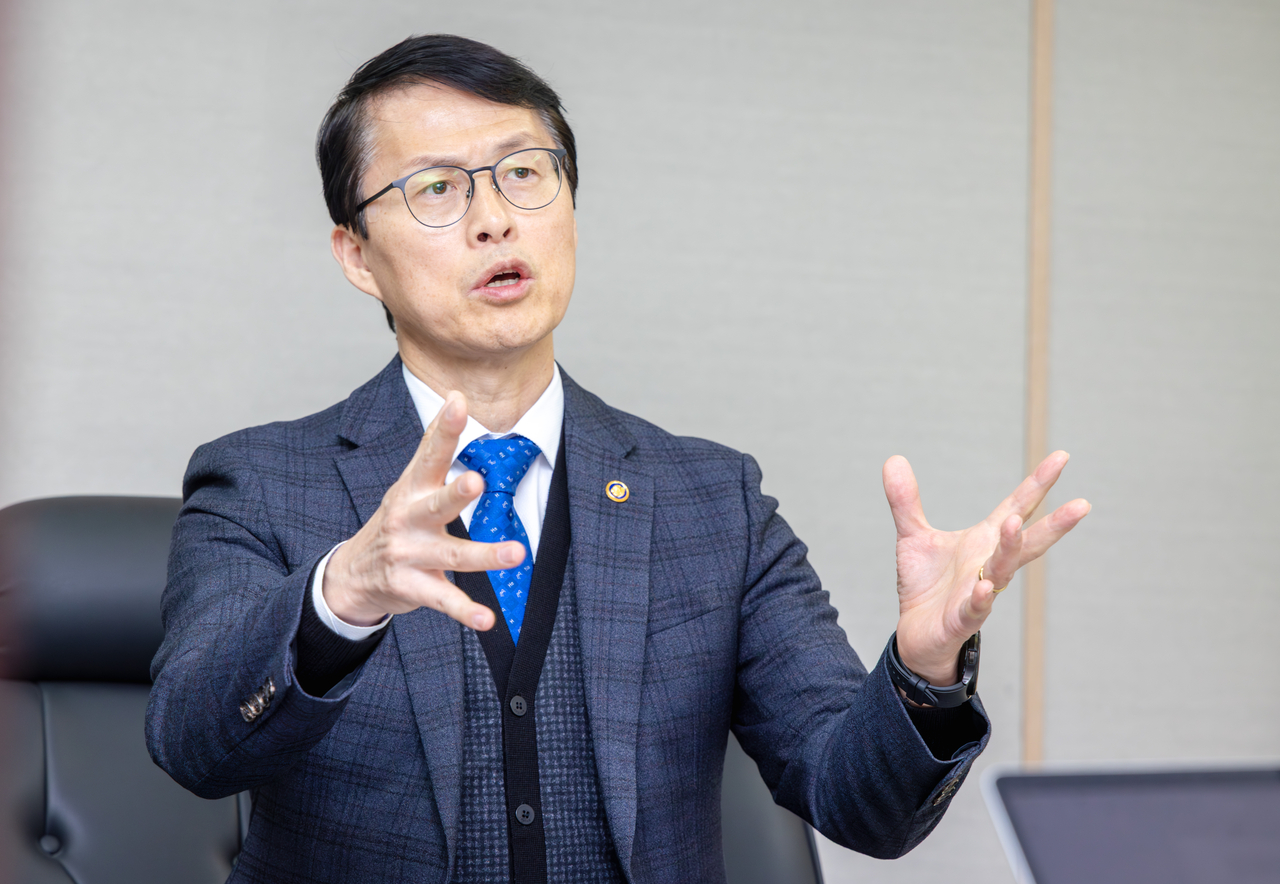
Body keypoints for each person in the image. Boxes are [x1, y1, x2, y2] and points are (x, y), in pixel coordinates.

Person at [146, 34, 1088, 884]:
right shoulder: (262, 483)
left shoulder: (713, 502)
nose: (493, 221)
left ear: (570, 210)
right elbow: (192, 743)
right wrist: (339, 596)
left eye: (525, 173)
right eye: (436, 189)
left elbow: (858, 803)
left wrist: (925, 670)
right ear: (356, 255)